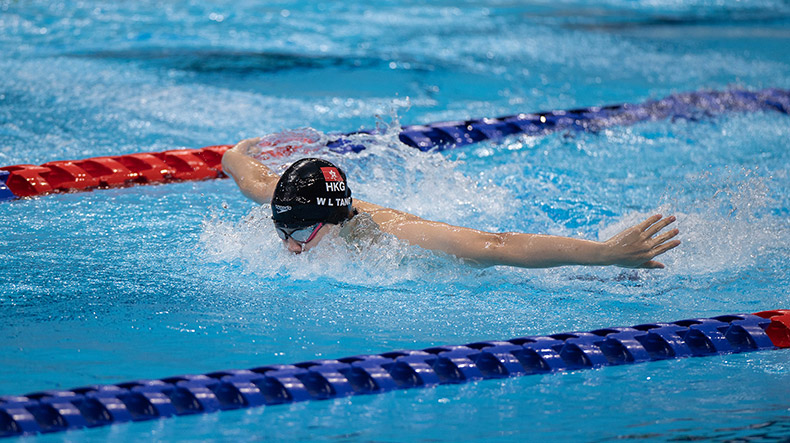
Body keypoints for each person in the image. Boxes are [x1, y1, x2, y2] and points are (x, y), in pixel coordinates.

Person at [221, 137, 680, 269]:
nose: (291, 247)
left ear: (332, 222)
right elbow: (254, 179)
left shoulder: (392, 233)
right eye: (283, 231)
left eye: (300, 235)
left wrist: (605, 253)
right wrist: (231, 157)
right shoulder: (294, 203)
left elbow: (496, 245)